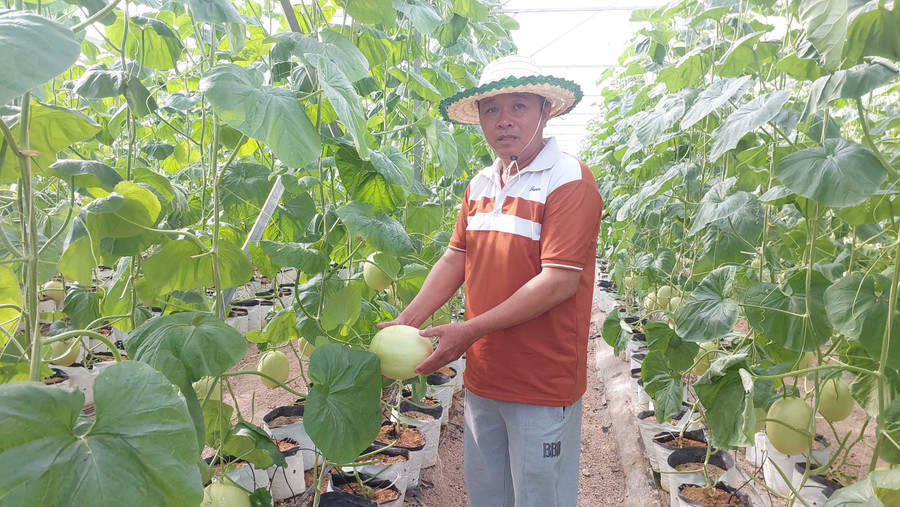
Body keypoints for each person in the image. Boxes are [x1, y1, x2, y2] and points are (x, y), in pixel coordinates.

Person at [377, 54, 603, 507]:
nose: (504, 121)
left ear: (545, 110)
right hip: (483, 374)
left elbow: (558, 281)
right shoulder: (481, 183)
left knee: (541, 499)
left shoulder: (568, 180)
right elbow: (456, 258)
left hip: (541, 381)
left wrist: (469, 330)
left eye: (518, 107)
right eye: (492, 110)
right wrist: (407, 321)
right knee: (488, 496)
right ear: (479, 119)